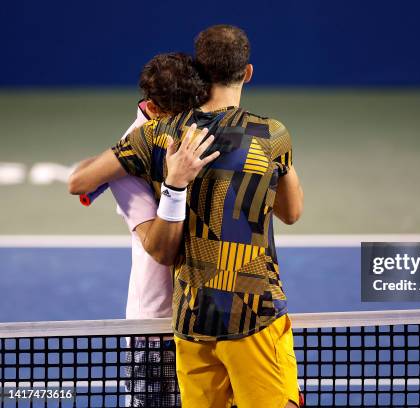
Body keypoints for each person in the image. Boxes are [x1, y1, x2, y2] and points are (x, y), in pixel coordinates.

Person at [68, 25, 304, 408]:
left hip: (191, 319)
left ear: (201, 71)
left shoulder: (156, 136)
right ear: (247, 73)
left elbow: (80, 180)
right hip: (251, 316)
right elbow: (292, 213)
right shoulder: (271, 134)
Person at [71, 52, 209, 407]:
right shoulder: (131, 155)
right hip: (157, 326)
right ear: (156, 109)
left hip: (208, 315)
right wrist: (174, 186)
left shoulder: (206, 129)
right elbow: (158, 248)